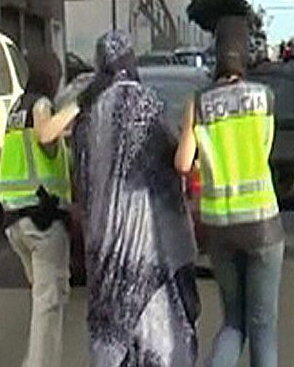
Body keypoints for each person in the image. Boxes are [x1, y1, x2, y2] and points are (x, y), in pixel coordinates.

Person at [74, 30, 199, 367]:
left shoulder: (88, 116)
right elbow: (174, 162)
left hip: (104, 243)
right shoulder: (146, 104)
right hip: (149, 243)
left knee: (113, 333)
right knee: (156, 331)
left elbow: (81, 182)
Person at [175, 16, 283, 367]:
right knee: (262, 326)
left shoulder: (198, 102)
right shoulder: (265, 98)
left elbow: (183, 163)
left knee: (234, 321)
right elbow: (264, 148)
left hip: (219, 226)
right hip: (262, 224)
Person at [0, 50, 79, 367]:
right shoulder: (42, 105)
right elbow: (46, 135)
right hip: (41, 216)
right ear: (50, 78)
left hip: (15, 219)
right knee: (50, 302)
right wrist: (77, 105)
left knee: (44, 297)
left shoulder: (18, 109)